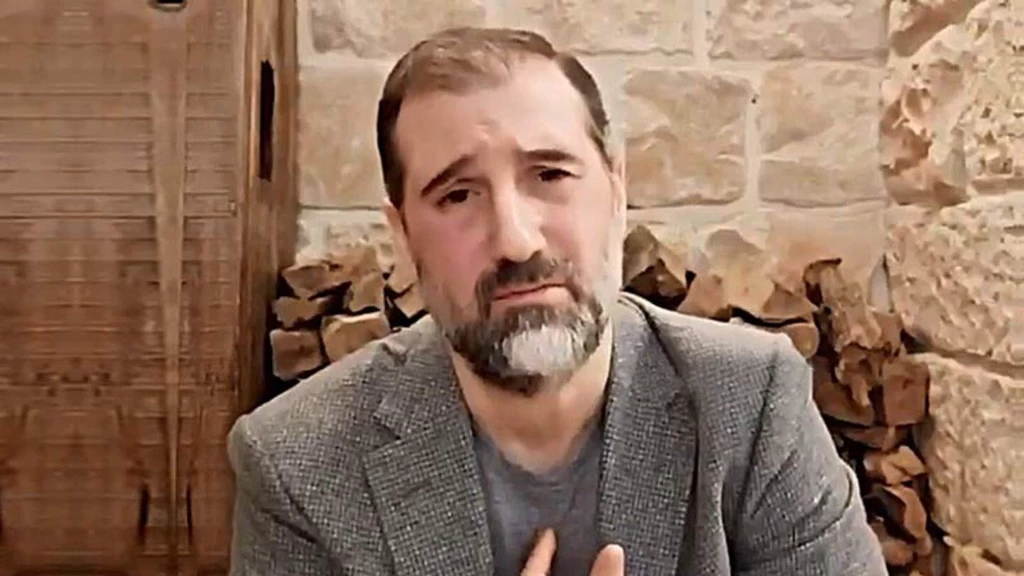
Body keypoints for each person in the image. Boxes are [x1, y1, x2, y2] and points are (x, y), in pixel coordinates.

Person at [227, 26, 887, 576]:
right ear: (402, 235)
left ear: (617, 191)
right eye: (458, 195)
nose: (516, 240)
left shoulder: (751, 404)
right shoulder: (297, 464)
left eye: (549, 174)